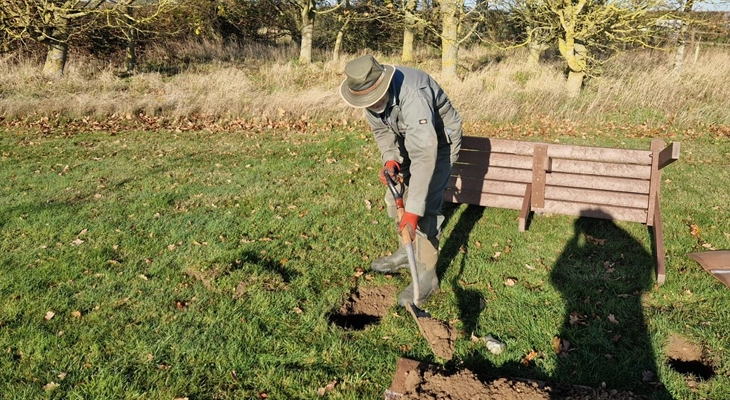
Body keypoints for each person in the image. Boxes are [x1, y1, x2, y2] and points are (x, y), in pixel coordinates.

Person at [339, 54, 462, 307]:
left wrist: (414, 210)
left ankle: (427, 279)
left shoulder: (412, 93)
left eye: (374, 99)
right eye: (367, 102)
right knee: (393, 196)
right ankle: (406, 252)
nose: (371, 105)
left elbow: (425, 153)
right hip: (409, 139)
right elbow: (382, 131)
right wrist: (391, 160)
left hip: (439, 144)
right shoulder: (368, 97)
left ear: (384, 85)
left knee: (425, 207)